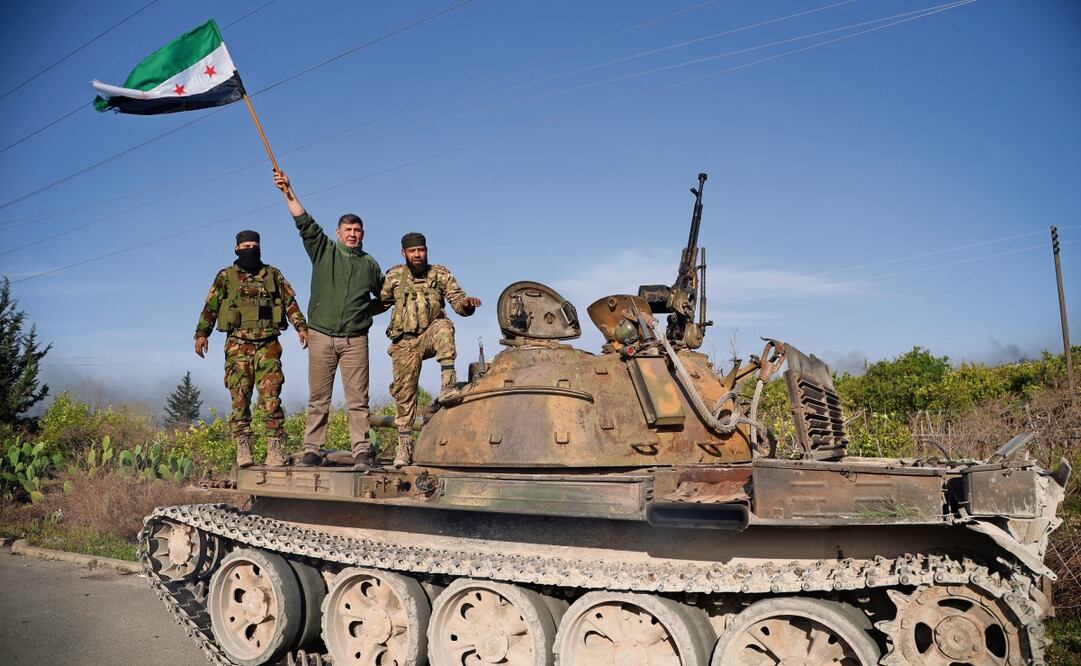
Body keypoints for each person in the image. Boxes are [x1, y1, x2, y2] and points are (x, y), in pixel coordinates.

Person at [273, 169, 385, 468]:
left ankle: (361, 449)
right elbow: (304, 223)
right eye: (347, 230)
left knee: (357, 400)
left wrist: (366, 312)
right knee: (319, 398)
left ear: (363, 234)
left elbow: (385, 296)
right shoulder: (324, 251)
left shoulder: (370, 265)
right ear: (338, 233)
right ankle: (313, 449)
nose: (352, 234)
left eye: (357, 230)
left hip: (355, 340)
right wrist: (288, 190)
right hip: (321, 335)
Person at [194, 230, 308, 468]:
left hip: (267, 345)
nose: (250, 250)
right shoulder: (226, 276)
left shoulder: (273, 275)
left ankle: (274, 448)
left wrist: (301, 327)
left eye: (254, 245)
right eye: (246, 246)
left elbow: (290, 303)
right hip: (238, 345)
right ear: (236, 249)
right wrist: (202, 334)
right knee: (239, 398)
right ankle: (243, 447)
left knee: (271, 397)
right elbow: (211, 307)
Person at [381, 232, 481, 466]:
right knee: (404, 396)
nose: (417, 254)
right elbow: (381, 300)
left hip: (430, 336)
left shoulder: (440, 274)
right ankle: (404, 448)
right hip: (404, 342)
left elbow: (457, 301)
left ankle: (448, 383)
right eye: (412, 251)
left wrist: (467, 305)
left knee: (444, 325)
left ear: (426, 250)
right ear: (403, 253)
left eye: (421, 250)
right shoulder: (394, 276)